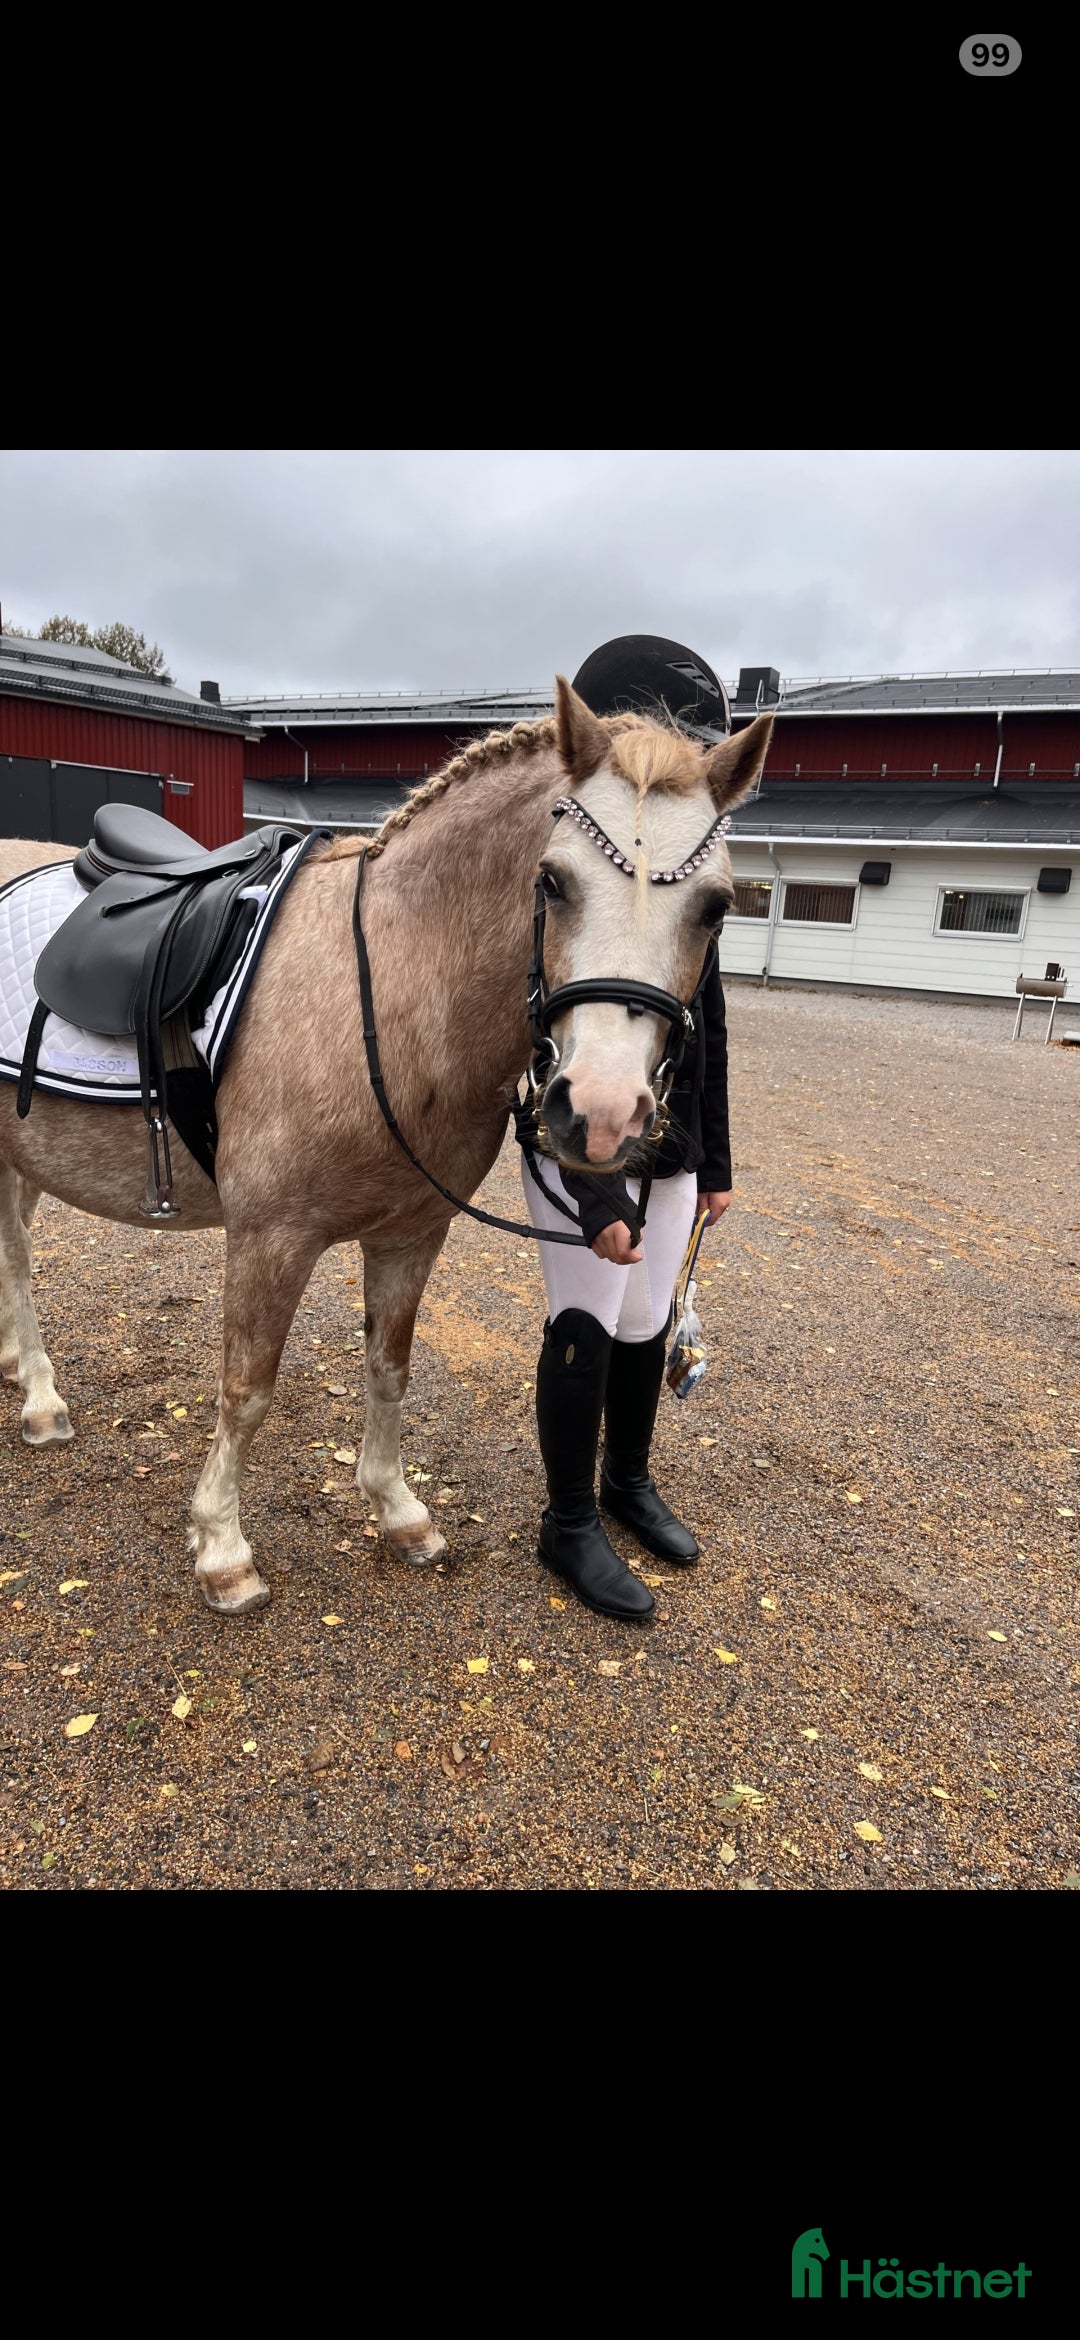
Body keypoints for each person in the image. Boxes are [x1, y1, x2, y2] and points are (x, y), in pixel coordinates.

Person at [515, 636, 735, 1623]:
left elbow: (711, 1033)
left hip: (671, 1141)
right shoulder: (578, 877)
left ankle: (626, 1482)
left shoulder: (684, 873)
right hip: (577, 1131)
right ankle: (566, 1525)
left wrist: (715, 1162)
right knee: (587, 1320)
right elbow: (547, 1029)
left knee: (646, 1322)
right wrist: (597, 1187)